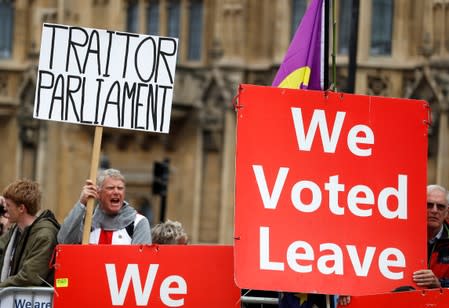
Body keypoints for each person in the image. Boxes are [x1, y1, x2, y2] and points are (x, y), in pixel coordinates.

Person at [338, 184, 449, 306]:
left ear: (446, 212)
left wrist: (439, 284)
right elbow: (366, 266)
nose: (434, 210)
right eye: (429, 205)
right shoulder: (396, 236)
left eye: (440, 207)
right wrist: (349, 287)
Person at [58, 168, 151, 245]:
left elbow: (140, 262)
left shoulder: (139, 223)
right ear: (98, 193)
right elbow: (64, 241)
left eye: (120, 188)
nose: (116, 192)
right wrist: (81, 203)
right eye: (110, 188)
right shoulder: (86, 222)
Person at [0, 179, 59, 287]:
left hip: (31, 302)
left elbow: (29, 277)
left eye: (8, 205)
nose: (4, 209)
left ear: (21, 208)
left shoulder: (44, 235)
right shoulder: (17, 230)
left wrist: (2, 286)